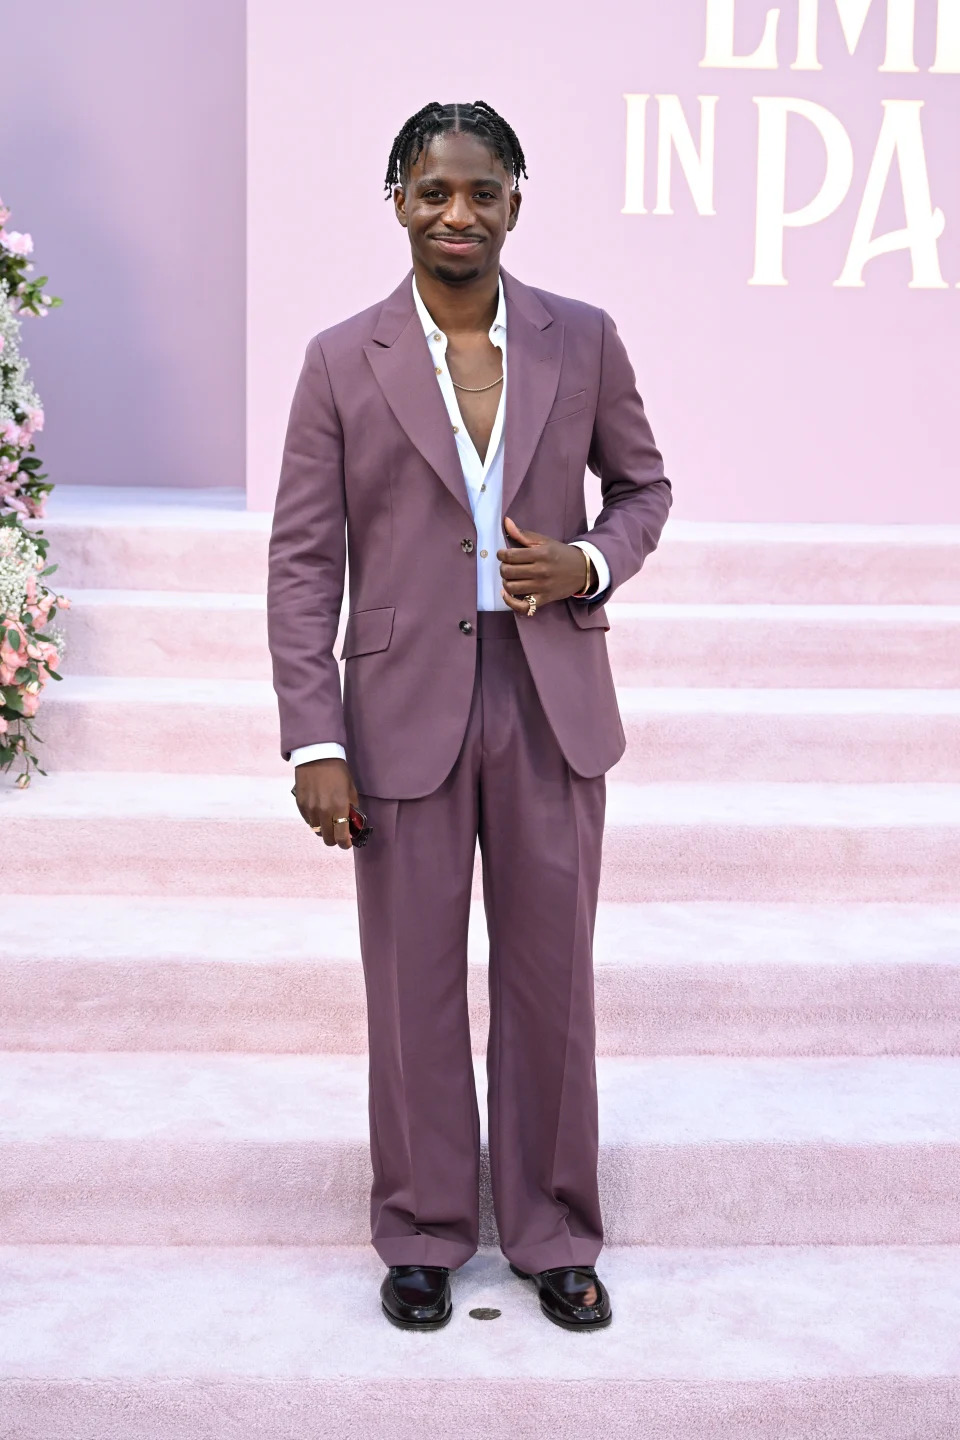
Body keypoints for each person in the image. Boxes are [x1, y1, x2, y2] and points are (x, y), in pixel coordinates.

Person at [266, 100, 672, 1333]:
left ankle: (554, 1230)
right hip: (399, 710)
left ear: (515, 200)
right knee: (413, 981)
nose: (458, 214)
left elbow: (643, 487)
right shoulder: (342, 358)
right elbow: (301, 562)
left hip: (551, 699)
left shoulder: (582, 339)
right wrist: (315, 736)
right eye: (434, 190)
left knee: (552, 979)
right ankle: (425, 1230)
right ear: (395, 197)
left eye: (482, 191)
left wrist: (590, 565)